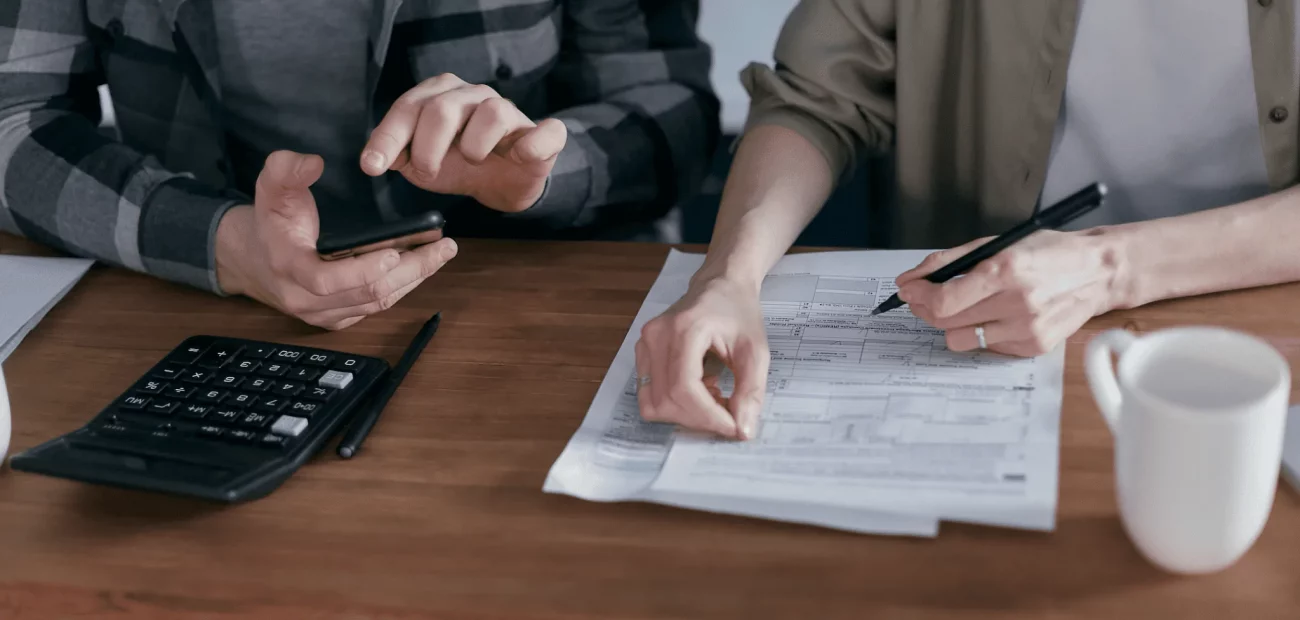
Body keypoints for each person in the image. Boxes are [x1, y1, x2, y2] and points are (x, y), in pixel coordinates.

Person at [635, 0, 1300, 439]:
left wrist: (1109, 266)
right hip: (985, 330)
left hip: (1264, 315)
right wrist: (728, 277)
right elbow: (817, 97)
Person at [0, 1, 719, 330]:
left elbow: (673, 114)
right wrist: (223, 243)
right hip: (208, 309)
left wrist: (543, 171)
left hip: (531, 304)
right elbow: (12, 120)